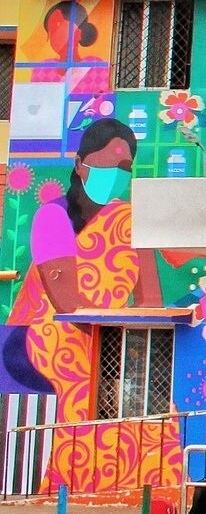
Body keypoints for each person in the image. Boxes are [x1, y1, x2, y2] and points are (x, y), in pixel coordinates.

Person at [2, 119, 165, 402]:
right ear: (79, 165)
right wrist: (118, 345)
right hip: (40, 345)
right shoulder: (53, 218)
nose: (115, 175)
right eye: (104, 166)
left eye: (124, 168)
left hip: (111, 346)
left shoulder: (130, 219)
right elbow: (70, 306)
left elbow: (150, 302)